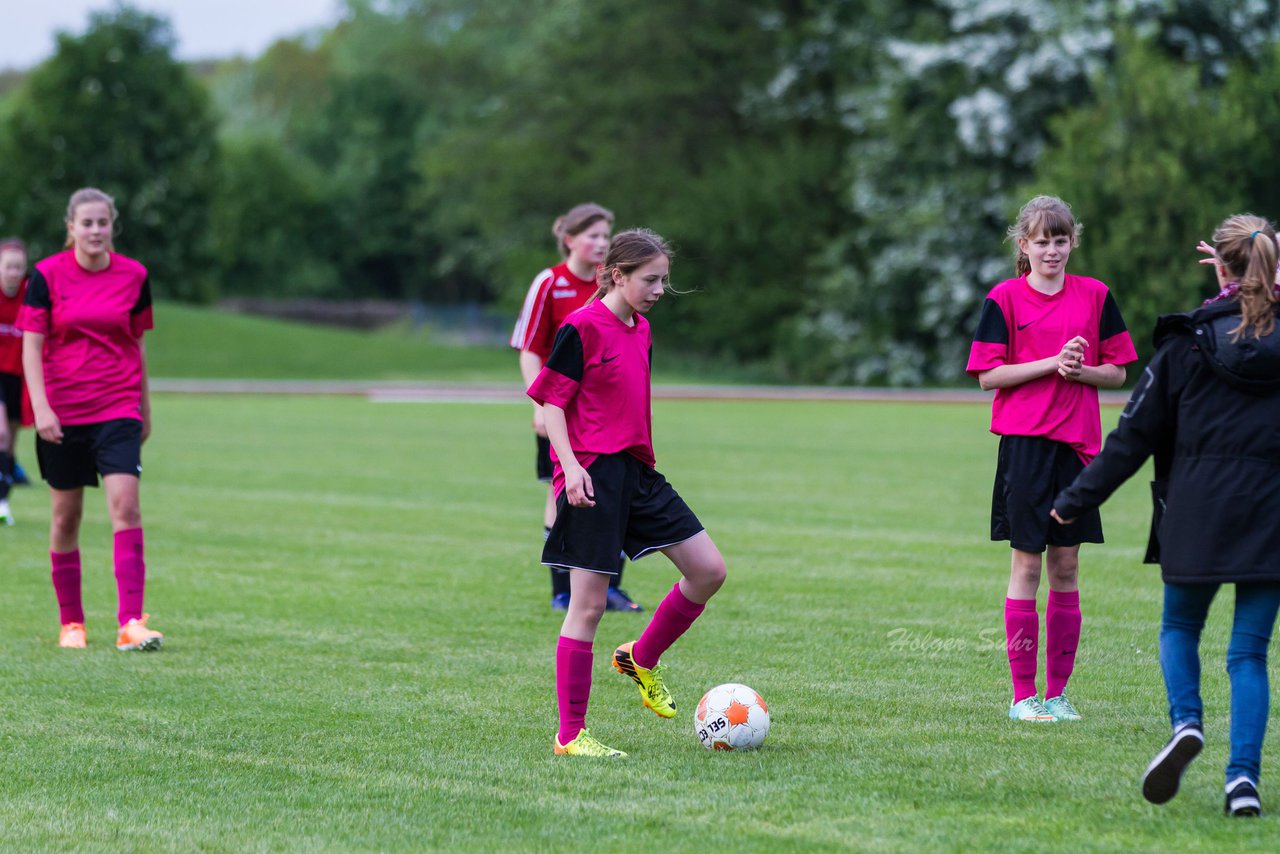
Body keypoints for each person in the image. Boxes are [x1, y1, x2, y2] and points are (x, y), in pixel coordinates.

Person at [1053, 214, 1280, 817]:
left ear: (1221, 268)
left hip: (1198, 509)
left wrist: (1071, 503)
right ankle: (1243, 782)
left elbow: (1131, 439)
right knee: (1249, 653)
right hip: (1272, 516)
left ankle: (1187, 723)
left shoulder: (1186, 345)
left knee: (1181, 629)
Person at [527, 229, 726, 757]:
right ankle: (571, 736)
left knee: (709, 571)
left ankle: (641, 656)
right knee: (587, 606)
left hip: (638, 474)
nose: (660, 289)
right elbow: (550, 405)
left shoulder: (642, 329)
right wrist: (569, 468)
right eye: (650, 279)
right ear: (617, 274)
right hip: (593, 475)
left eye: (664, 279)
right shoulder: (580, 327)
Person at [967, 195, 1138, 722]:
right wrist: (1049, 362)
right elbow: (987, 375)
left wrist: (1078, 371)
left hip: (1077, 450)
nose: (1052, 250)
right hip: (1024, 448)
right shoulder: (1004, 299)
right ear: (1025, 245)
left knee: (1067, 566)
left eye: (1060, 240)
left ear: (1072, 242)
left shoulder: (1096, 295)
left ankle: (1058, 695)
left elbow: (1119, 372)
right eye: (1042, 241)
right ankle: (1023, 698)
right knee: (1027, 566)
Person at [17, 187, 163, 651]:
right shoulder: (44, 276)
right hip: (63, 413)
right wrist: (40, 409)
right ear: (71, 228)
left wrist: (144, 407)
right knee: (66, 518)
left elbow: (137, 346)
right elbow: (32, 345)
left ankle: (131, 622)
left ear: (112, 225)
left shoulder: (135, 276)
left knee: (126, 506)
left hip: (117, 407)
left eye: (103, 222)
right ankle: (72, 624)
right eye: (87, 223)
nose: (95, 230)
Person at [511, 202, 643, 614]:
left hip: (604, 417)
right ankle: (563, 591)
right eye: (593, 236)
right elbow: (530, 348)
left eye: (607, 236)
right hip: (559, 409)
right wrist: (538, 403)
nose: (602, 243)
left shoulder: (611, 286)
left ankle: (609, 590)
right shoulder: (550, 283)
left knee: (613, 499)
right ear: (570, 239)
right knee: (562, 497)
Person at [0, 238, 33, 525]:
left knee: (10, 442)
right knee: (0, 433)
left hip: (19, 376)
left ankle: (3, 500)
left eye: (18, 267)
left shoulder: (31, 294)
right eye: (8, 266)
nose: (13, 272)